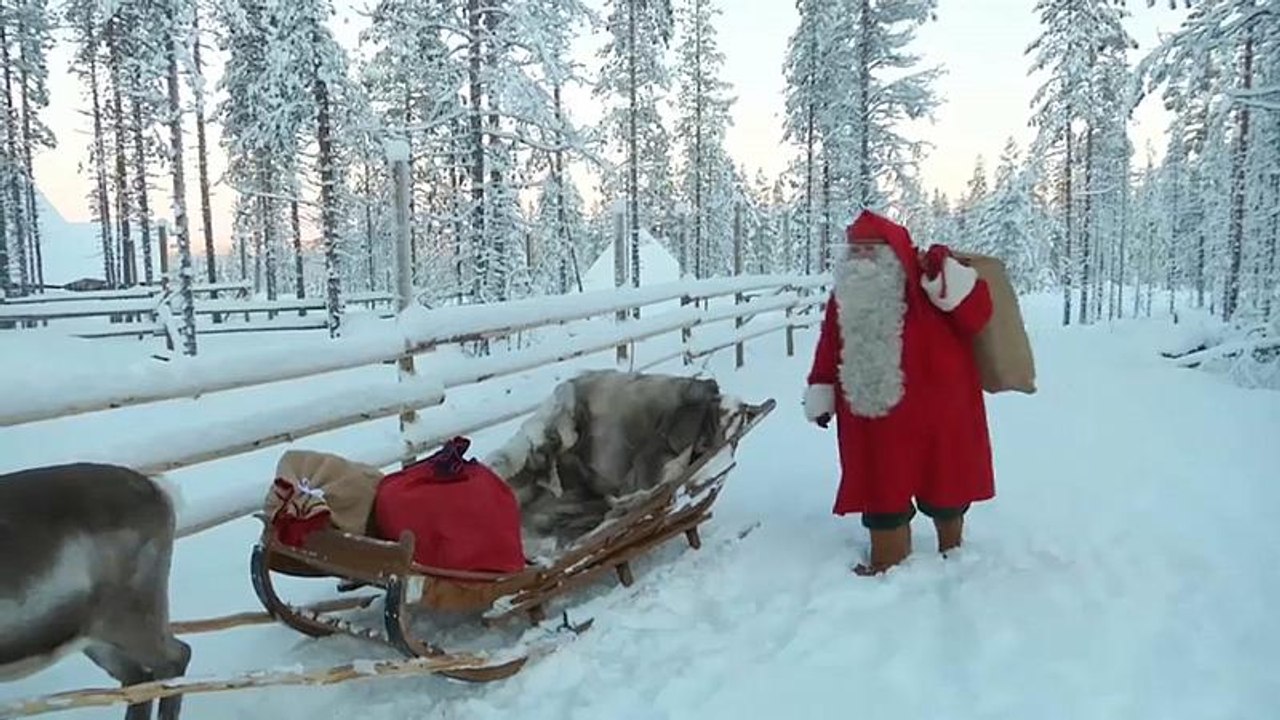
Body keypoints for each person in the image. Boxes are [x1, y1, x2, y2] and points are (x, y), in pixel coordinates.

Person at [803, 208, 995, 576]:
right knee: (881, 486)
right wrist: (821, 385)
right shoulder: (846, 296)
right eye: (855, 250)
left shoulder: (929, 285)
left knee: (947, 482)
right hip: (874, 416)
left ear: (893, 251)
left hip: (941, 410)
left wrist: (947, 271)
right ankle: (888, 562)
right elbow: (830, 342)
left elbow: (976, 315)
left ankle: (953, 554)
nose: (862, 258)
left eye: (871, 249)